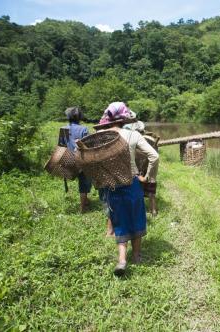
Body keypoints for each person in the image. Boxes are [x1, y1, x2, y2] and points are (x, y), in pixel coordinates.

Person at [94, 102, 159, 276]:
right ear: (125, 119)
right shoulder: (133, 135)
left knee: (120, 220)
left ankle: (122, 260)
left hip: (112, 185)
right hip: (132, 183)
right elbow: (154, 155)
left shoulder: (102, 135)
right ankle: (137, 256)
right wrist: (146, 177)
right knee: (136, 217)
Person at [59, 107, 92, 213]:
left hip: (69, 160)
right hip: (81, 160)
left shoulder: (63, 129)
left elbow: (61, 146)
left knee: (81, 180)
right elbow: (87, 146)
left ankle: (85, 202)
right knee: (84, 182)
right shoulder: (84, 129)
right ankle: (83, 207)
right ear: (79, 118)